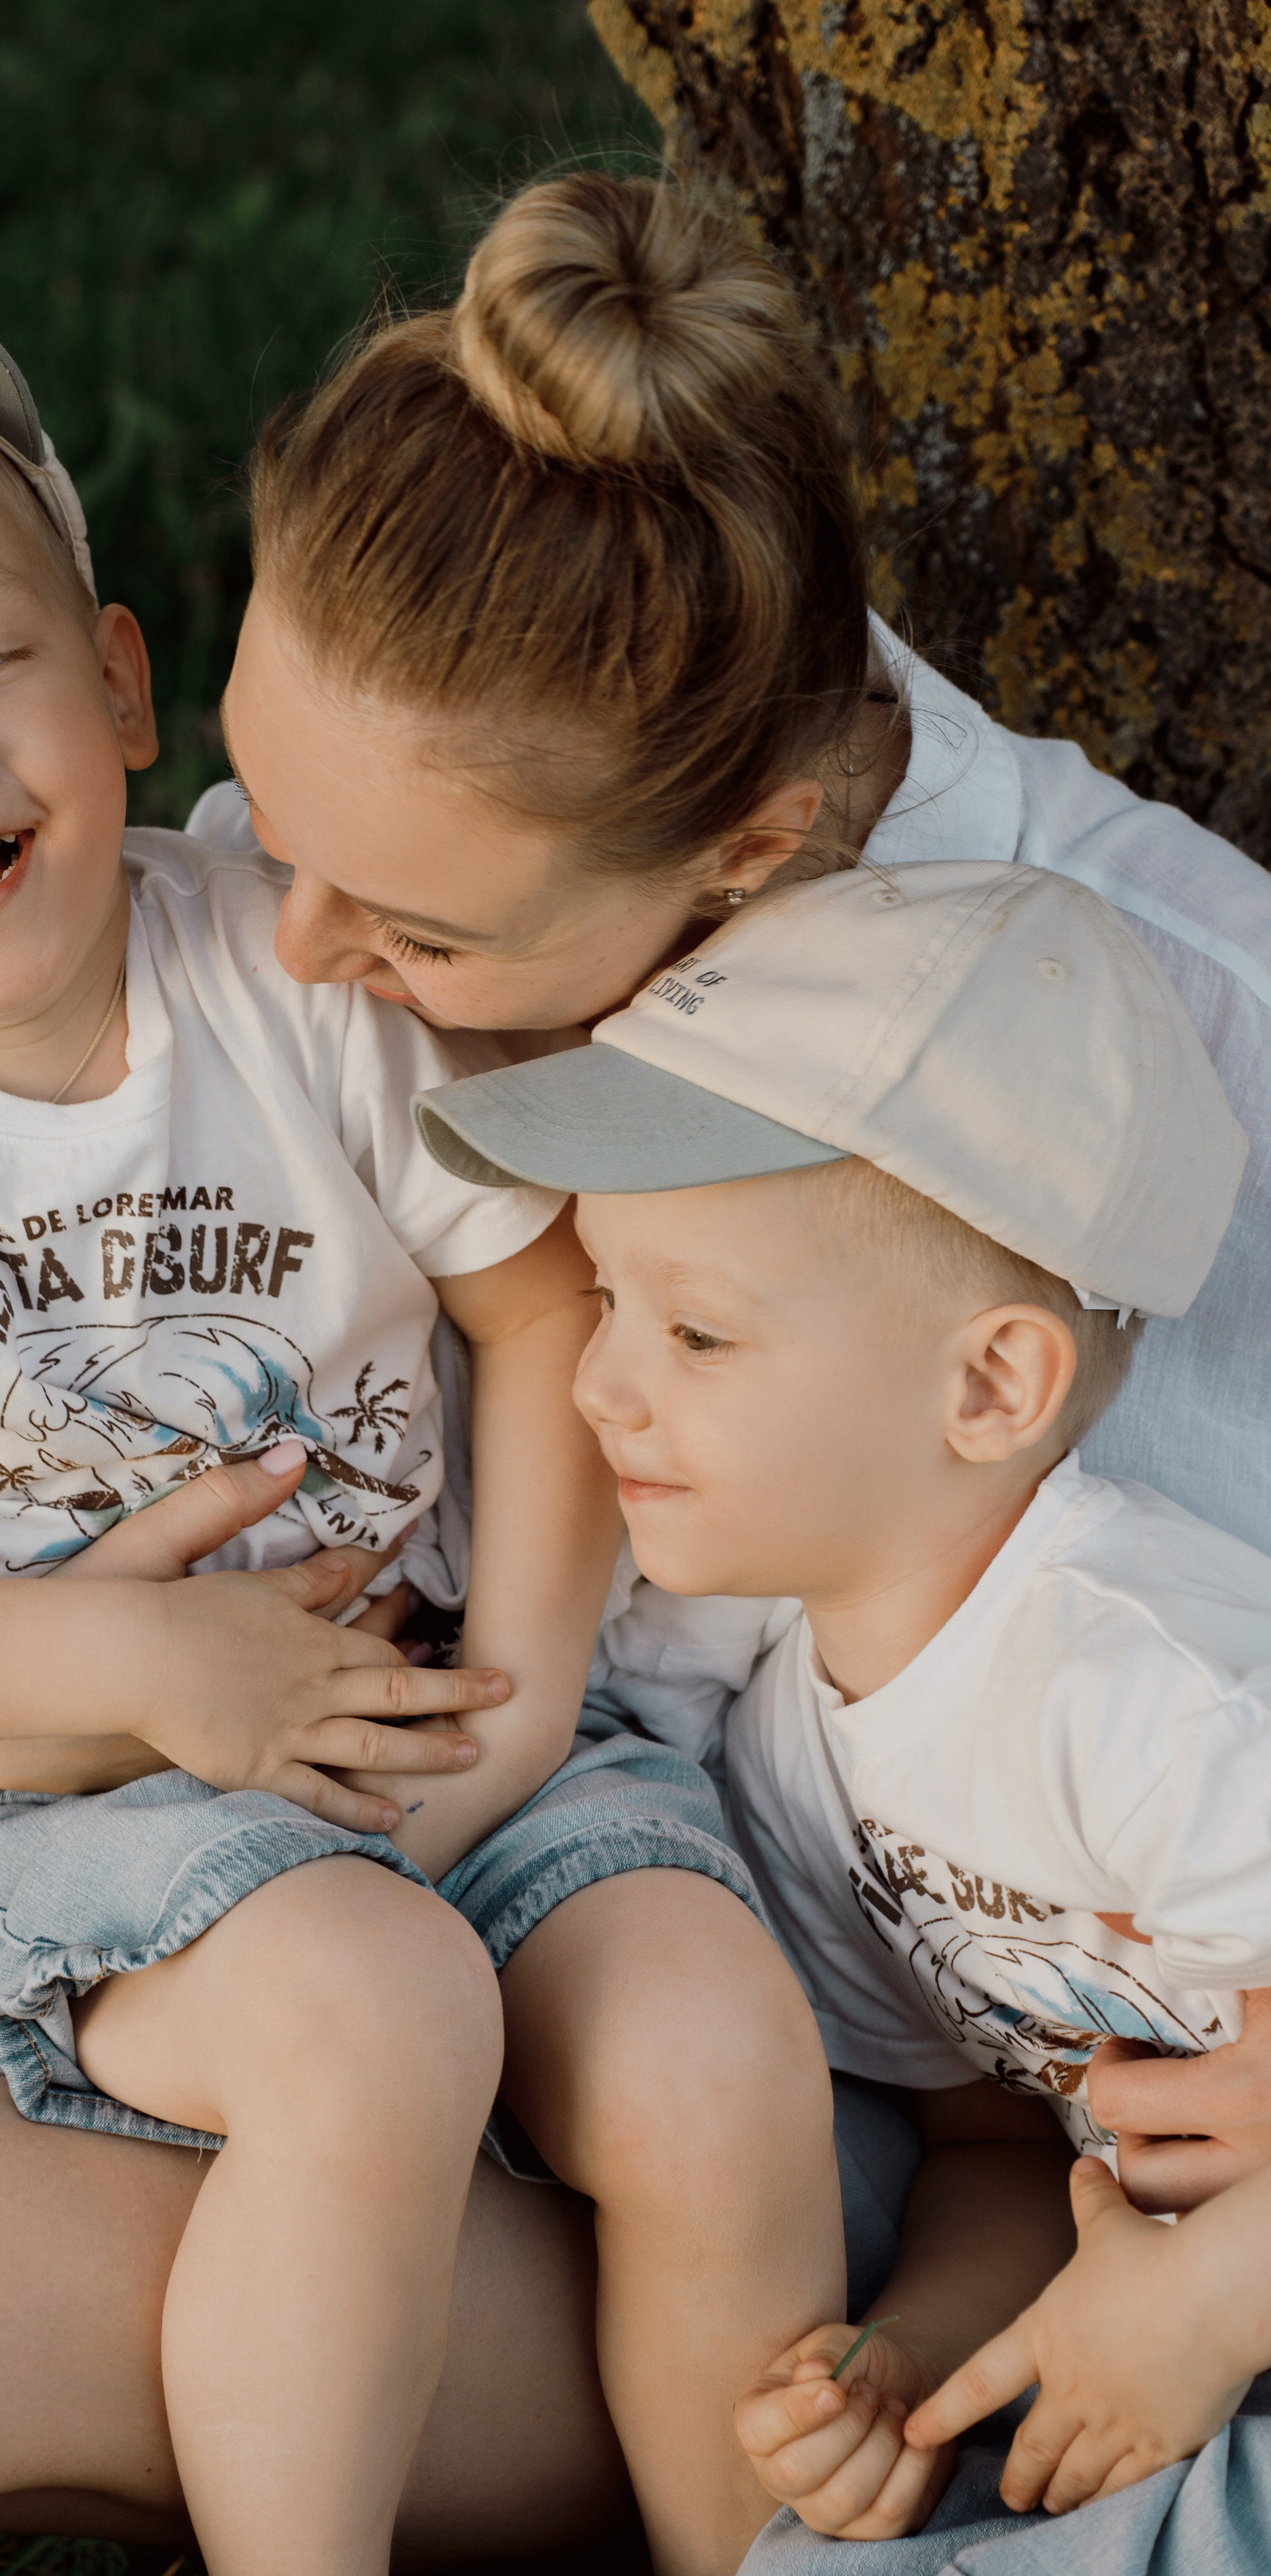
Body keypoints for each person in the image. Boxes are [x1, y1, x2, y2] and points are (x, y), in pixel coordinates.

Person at [0, 165, 1270, 2566]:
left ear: (751, 862)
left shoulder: (1150, 1094)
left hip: (763, 2065)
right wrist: (98, 1670)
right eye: (261, 823)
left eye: (413, 924)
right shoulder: (302, 888)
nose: (288, 937)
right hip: (275, 1813)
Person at [415, 854, 1271, 2545]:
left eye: (698, 1336)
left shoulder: (1155, 1688)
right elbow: (991, 2143)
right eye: (604, 1297)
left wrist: (1214, 2295)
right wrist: (916, 2360)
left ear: (987, 1383)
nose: (596, 1382)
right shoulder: (799, 1746)